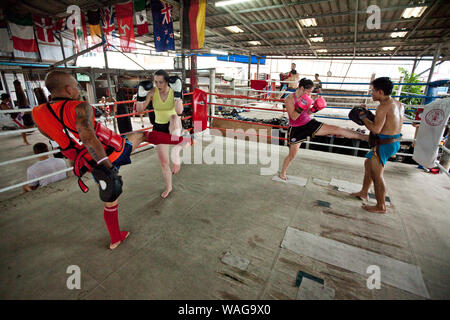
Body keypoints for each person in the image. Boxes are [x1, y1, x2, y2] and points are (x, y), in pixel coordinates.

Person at [32, 71, 190, 250]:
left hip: (86, 162)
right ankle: (181, 140)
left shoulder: (38, 113)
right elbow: (89, 137)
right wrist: (108, 168)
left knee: (110, 198)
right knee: (142, 134)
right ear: (68, 89)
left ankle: (115, 238)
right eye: (75, 86)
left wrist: (97, 168)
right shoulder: (79, 107)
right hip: (109, 153)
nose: (77, 89)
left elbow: (53, 136)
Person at [280, 78, 369, 180]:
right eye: (308, 91)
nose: (309, 94)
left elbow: (307, 113)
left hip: (308, 123)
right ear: (301, 88)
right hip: (296, 129)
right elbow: (294, 117)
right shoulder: (289, 99)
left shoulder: (307, 97)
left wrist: (314, 109)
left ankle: (364, 137)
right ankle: (283, 172)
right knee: (292, 155)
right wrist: (302, 105)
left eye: (311, 92)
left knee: (336, 129)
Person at [350, 77, 404, 214]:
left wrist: (363, 117)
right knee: (368, 164)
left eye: (373, 91)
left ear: (380, 92)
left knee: (377, 175)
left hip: (384, 144)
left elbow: (375, 129)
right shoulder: (398, 104)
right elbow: (387, 123)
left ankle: (381, 206)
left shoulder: (383, 107)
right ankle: (363, 192)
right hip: (393, 141)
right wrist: (369, 114)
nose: (371, 93)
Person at [136, 70, 186, 199]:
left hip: (173, 125)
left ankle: (176, 157)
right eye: (156, 82)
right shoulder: (153, 92)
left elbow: (179, 111)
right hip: (159, 127)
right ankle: (169, 187)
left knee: (175, 118)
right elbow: (140, 110)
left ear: (167, 81)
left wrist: (177, 95)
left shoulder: (174, 90)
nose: (158, 85)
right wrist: (141, 96)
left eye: (161, 82)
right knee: (164, 162)